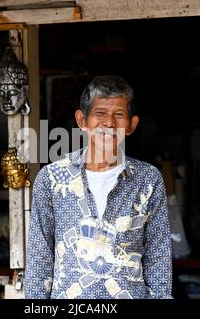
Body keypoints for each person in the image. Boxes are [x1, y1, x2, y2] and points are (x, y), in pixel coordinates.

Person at [25, 75, 172, 299]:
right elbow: (39, 258)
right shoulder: (52, 179)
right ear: (82, 120)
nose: (109, 123)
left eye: (119, 115)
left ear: (131, 125)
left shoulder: (148, 180)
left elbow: (158, 258)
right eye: (100, 113)